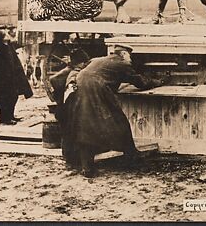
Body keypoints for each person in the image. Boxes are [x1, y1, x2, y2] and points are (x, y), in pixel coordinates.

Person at [59, 44, 163, 177]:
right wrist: (159, 81)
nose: (130, 59)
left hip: (79, 88)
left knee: (85, 127)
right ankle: (131, 157)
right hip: (95, 91)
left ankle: (87, 167)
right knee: (119, 122)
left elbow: (83, 72)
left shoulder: (97, 60)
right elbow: (141, 82)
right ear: (124, 54)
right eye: (129, 56)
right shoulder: (122, 64)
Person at [0, 29, 33, 125]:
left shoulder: (7, 47)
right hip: (5, 80)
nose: (7, 35)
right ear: (1, 38)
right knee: (6, 98)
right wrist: (4, 78)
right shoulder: (0, 50)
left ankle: (10, 116)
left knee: (13, 97)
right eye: (5, 34)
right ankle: (5, 119)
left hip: (11, 78)